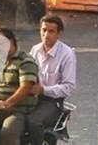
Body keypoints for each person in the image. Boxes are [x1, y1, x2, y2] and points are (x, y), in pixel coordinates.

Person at [27, 15, 77, 145]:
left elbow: (68, 87)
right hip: (32, 98)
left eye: (51, 31)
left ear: (58, 34)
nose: (46, 35)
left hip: (52, 102)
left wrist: (44, 90)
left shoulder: (67, 54)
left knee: (33, 122)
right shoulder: (35, 50)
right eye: (44, 30)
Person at [0, 27, 38, 145]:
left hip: (17, 110)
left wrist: (8, 103)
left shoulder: (25, 61)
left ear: (11, 42)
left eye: (0, 44)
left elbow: (26, 87)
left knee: (8, 132)